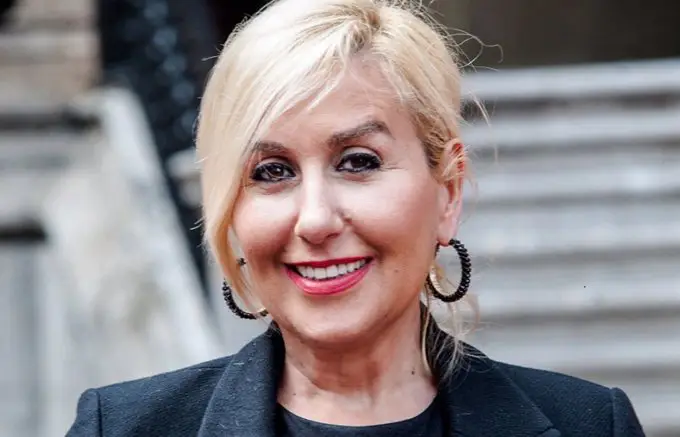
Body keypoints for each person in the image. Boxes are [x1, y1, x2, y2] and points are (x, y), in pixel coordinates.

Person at [67, 0, 646, 435]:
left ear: (447, 192)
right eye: (272, 171)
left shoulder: (592, 425)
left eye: (358, 162)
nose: (315, 220)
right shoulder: (120, 427)